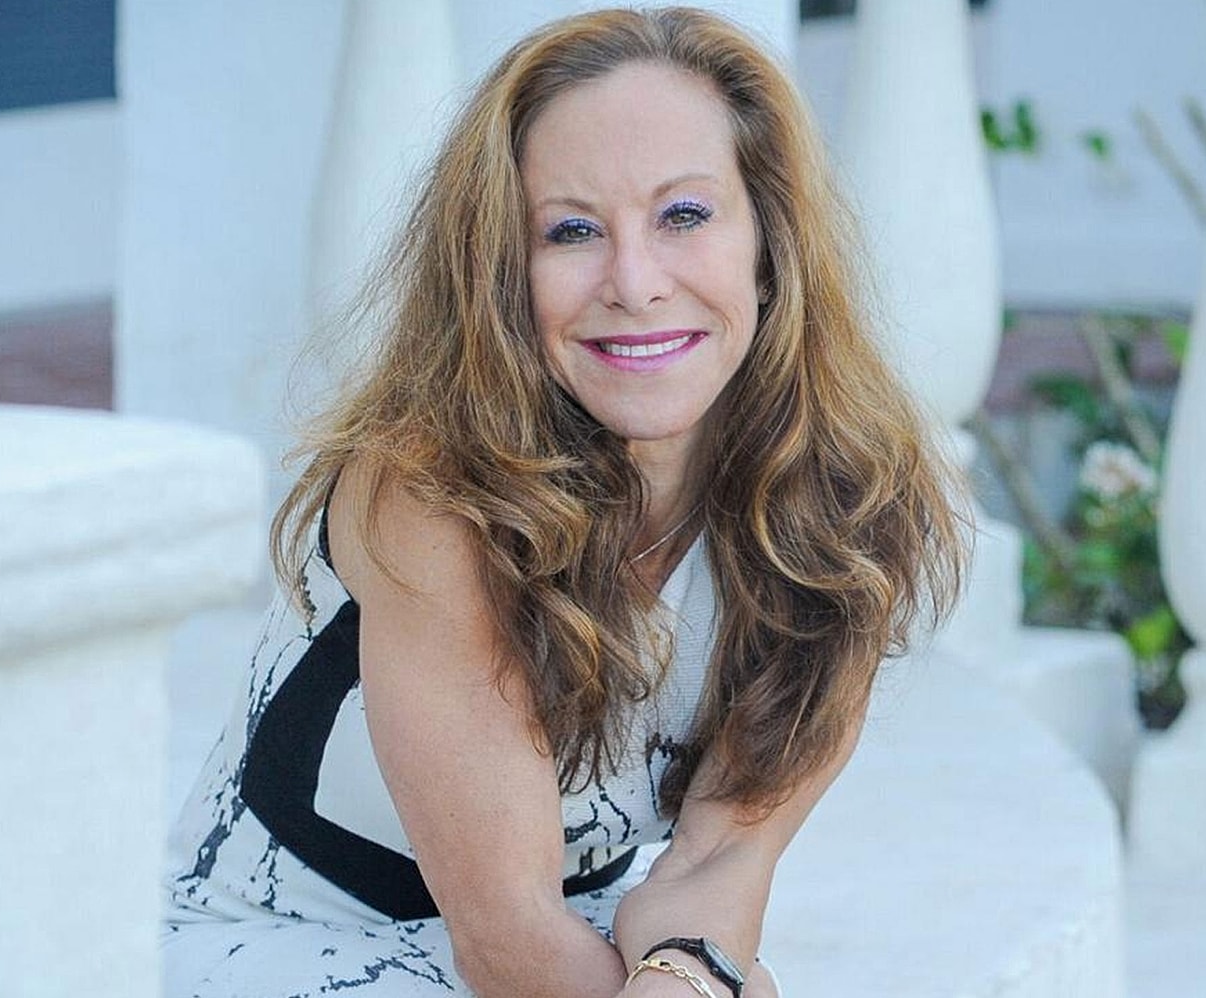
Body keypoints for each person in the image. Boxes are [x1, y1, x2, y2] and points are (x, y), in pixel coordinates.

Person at [162, 7, 965, 997]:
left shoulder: (845, 506)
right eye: (572, 230)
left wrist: (682, 974)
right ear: (503, 268)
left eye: (684, 215)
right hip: (281, 936)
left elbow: (721, 862)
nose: (634, 283)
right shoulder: (424, 489)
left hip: (572, 931)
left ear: (768, 239)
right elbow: (507, 939)